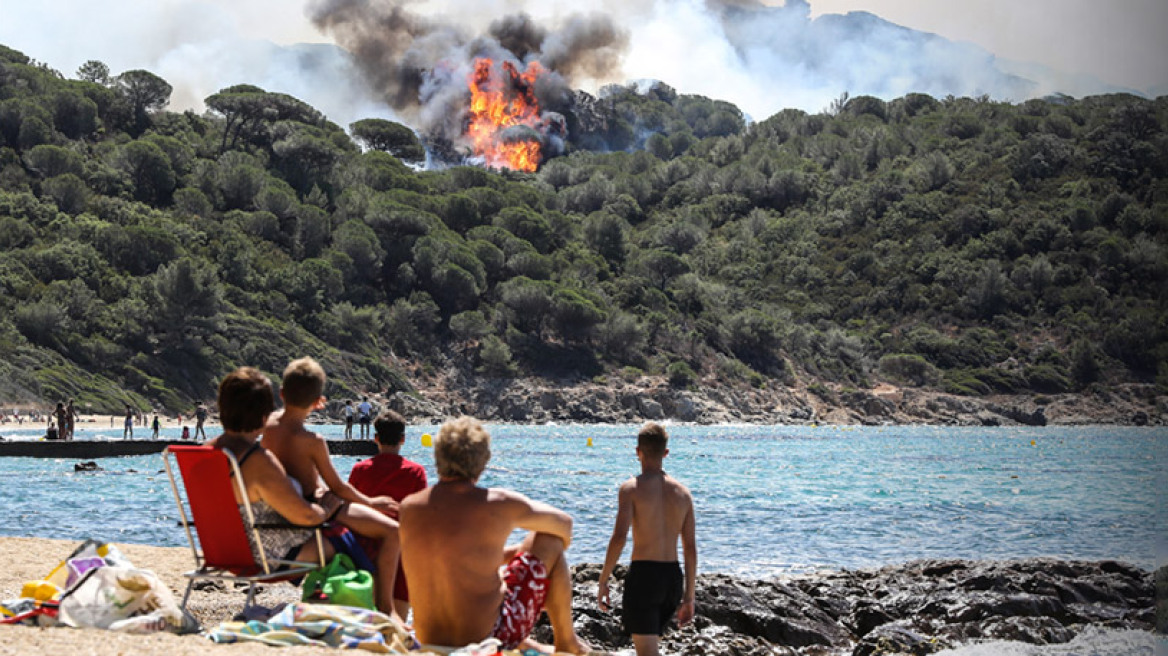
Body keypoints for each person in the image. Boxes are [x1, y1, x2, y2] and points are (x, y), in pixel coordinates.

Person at [399, 417, 592, 654]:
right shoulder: (497, 503)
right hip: (489, 636)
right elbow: (564, 525)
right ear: (484, 460)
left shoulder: (409, 507)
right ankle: (567, 641)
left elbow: (453, 558)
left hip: (429, 637)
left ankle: (537, 643)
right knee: (549, 540)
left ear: (438, 456)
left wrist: (503, 555)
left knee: (496, 573)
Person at [262, 357, 402, 618]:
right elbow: (337, 486)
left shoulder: (268, 426)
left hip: (281, 511)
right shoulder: (312, 441)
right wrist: (371, 503)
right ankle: (387, 608)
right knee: (392, 531)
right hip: (313, 509)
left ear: (281, 393)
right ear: (319, 402)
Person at [206, 368, 358, 605]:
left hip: (222, 553)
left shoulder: (205, 453)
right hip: (266, 560)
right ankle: (365, 610)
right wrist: (327, 508)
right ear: (264, 415)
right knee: (350, 538)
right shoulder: (257, 460)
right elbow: (307, 517)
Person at [597, 423, 697, 656]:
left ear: (637, 451)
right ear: (666, 453)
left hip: (644, 577)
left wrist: (603, 579)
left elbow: (619, 537)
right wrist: (689, 597)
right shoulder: (684, 494)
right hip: (672, 578)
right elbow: (690, 548)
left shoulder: (630, 489)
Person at [348, 410, 428, 618]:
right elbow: (419, 514)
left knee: (367, 614)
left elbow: (350, 506)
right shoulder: (415, 472)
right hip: (401, 549)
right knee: (398, 616)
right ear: (403, 439)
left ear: (376, 439)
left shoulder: (360, 470)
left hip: (365, 547)